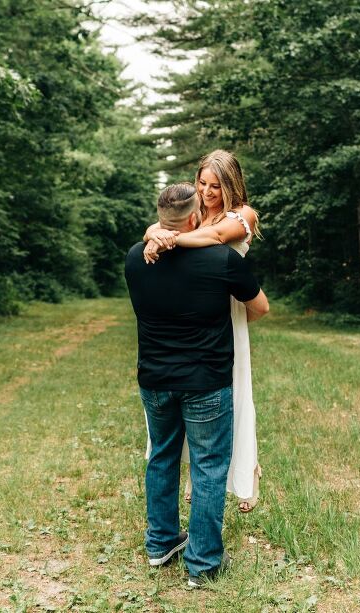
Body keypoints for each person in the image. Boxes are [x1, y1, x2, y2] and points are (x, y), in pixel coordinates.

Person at [125, 182, 269, 586]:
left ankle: (160, 545)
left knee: (163, 457)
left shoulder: (137, 259)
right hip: (206, 381)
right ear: (193, 219)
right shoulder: (221, 259)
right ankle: (203, 563)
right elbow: (260, 307)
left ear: (159, 219)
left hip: (154, 380)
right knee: (207, 467)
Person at [142, 150, 263, 513]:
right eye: (202, 183)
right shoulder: (194, 213)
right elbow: (158, 224)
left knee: (233, 393)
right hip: (194, 309)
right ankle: (198, 477)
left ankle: (247, 471)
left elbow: (211, 239)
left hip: (228, 310)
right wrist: (155, 232)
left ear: (231, 185)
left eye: (215, 185)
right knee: (197, 400)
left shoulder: (242, 215)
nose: (207, 191)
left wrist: (167, 238)